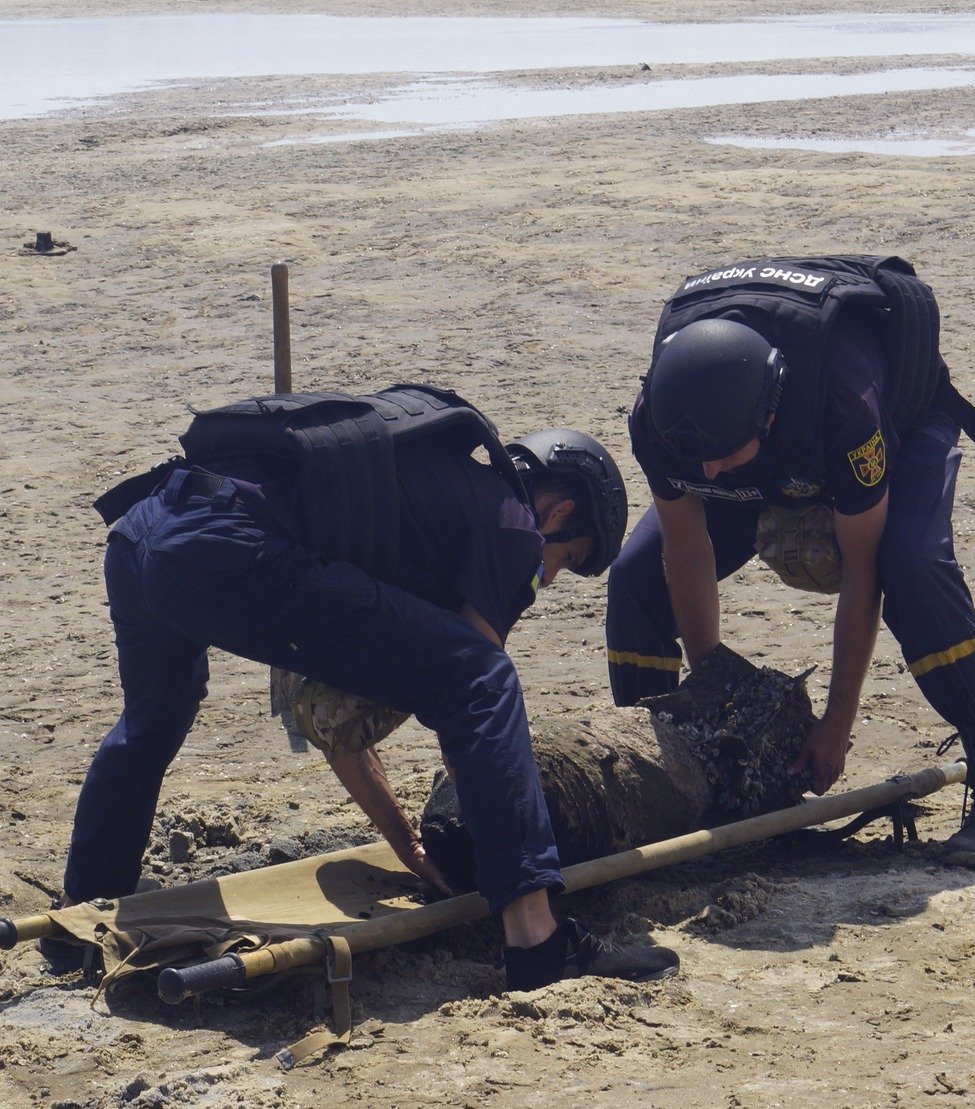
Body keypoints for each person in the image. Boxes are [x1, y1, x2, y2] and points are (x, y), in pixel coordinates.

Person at [62, 383, 676, 990]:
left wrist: (407, 840)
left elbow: (329, 723)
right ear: (560, 511)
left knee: (152, 720)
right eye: (566, 560)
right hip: (227, 549)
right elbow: (473, 702)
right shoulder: (514, 528)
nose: (548, 576)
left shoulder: (420, 502)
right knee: (483, 679)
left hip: (144, 533)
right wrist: (489, 848)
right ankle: (537, 938)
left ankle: (82, 911)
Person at [604, 259, 975, 870]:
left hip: (900, 423)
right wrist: (714, 686)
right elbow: (686, 547)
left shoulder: (845, 406)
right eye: (693, 460)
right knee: (635, 579)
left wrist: (835, 722)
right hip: (759, 447)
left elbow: (863, 575)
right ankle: (657, 780)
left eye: (720, 460)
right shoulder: (663, 420)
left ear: (769, 416)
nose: (707, 476)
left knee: (911, 566)